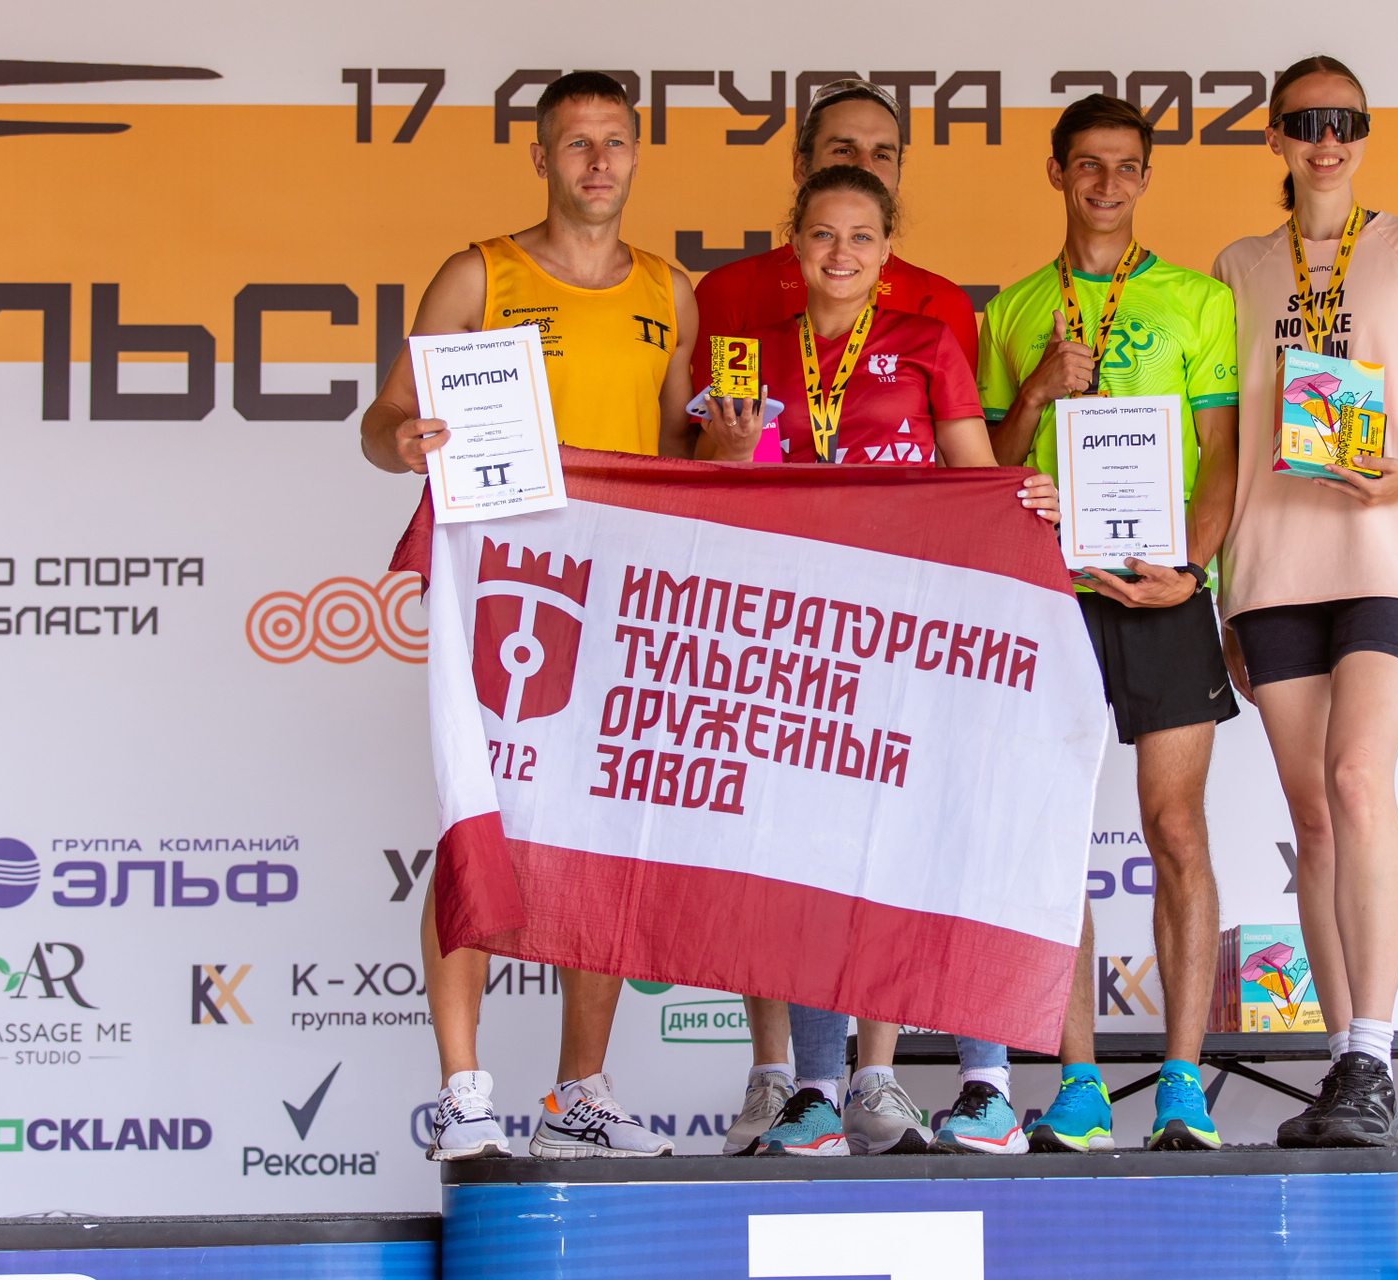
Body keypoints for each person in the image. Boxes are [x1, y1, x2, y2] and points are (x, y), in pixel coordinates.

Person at [359, 71, 697, 1160]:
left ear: (636, 153)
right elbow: (384, 417)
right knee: (480, 822)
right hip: (507, 585)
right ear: (542, 157)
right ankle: (463, 1092)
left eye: (615, 141)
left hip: (627, 592)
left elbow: (680, 452)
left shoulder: (671, 289)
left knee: (603, 836)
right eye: (576, 143)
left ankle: (577, 1092)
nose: (598, 162)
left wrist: (731, 453)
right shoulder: (480, 273)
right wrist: (403, 441)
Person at [697, 163, 1057, 1156]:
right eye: (822, 234)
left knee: (931, 843)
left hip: (910, 629)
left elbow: (974, 478)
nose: (841, 253)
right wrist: (727, 453)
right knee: (810, 861)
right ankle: (817, 1089)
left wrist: (1027, 506)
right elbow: (717, 490)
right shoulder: (749, 354)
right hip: (800, 634)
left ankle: (969, 1085)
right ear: (795, 244)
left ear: (887, 250)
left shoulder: (927, 342)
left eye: (861, 236)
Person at [1212, 56, 1398, 1148]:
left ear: (1366, 133)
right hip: (1271, 562)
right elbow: (1223, 438)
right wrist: (1220, 593)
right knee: (1313, 815)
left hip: (1387, 552)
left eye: (1345, 121)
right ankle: (1345, 1065)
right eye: (1305, 122)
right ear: (1275, 139)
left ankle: (1375, 1054)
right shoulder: (1238, 266)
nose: (1326, 140)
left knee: (1355, 775)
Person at [979, 94, 1240, 1153]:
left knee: (1175, 828)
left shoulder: (1195, 300)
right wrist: (1037, 390)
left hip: (1164, 590)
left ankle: (1182, 1081)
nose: (1106, 184)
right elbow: (989, 468)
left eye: (1126, 166)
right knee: (1055, 837)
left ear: (1145, 177)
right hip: (1054, 593)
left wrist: (1193, 569)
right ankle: (1079, 1082)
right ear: (1056, 173)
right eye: (1087, 164)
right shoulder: (1012, 309)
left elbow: (1222, 455)